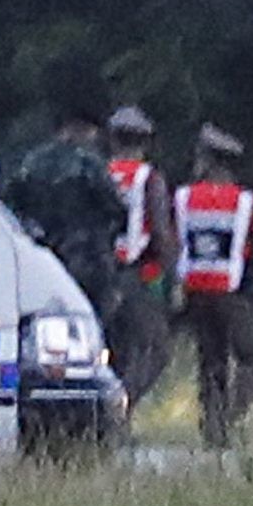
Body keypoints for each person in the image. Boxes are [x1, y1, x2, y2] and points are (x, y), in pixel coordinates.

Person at [8, 102, 163, 409]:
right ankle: (102, 409)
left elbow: (11, 206)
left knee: (48, 345)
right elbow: (117, 211)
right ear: (83, 128)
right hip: (90, 266)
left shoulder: (31, 163)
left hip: (46, 266)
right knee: (107, 341)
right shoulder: (88, 164)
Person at [174, 124, 253, 448]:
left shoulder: (183, 197)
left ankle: (212, 427)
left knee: (211, 361)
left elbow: (173, 240)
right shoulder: (250, 202)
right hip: (231, 290)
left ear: (207, 160)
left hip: (194, 291)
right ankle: (226, 419)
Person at [101, 105, 175, 409]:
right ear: (146, 142)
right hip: (132, 274)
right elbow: (160, 231)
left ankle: (101, 414)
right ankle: (119, 407)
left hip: (98, 271)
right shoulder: (148, 178)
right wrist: (173, 276)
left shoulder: (98, 172)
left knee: (113, 348)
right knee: (156, 348)